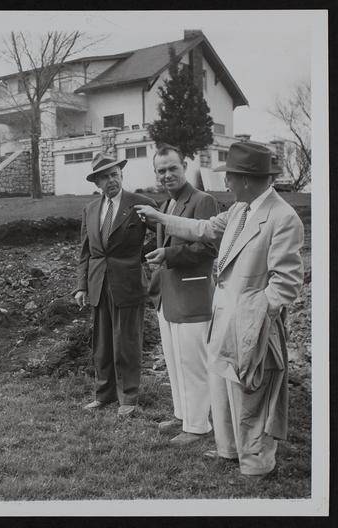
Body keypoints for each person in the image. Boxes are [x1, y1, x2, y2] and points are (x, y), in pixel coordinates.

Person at [135, 141, 304, 476]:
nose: (226, 182)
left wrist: (257, 316)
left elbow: (286, 282)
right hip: (225, 316)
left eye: (231, 176)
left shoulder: (283, 217)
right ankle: (228, 450)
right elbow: (204, 228)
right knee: (223, 388)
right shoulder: (241, 209)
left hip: (253, 323)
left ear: (247, 179)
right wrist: (160, 218)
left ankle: (256, 465)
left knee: (253, 393)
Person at [145, 144, 218, 446]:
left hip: (192, 294)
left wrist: (169, 255)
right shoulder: (166, 205)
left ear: (184, 166)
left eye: (172, 168)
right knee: (175, 362)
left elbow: (209, 248)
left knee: (193, 363)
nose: (167, 175)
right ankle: (182, 415)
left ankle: (198, 426)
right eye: (161, 170)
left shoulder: (203, 200)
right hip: (168, 296)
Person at [74, 152, 157, 417]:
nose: (111, 180)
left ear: (121, 175)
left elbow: (164, 233)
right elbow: (85, 251)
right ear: (97, 183)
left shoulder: (140, 204)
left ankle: (128, 397)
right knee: (102, 344)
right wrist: (82, 286)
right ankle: (104, 394)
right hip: (98, 283)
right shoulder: (90, 209)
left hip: (128, 282)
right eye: (105, 177)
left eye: (114, 174)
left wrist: (140, 256)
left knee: (127, 342)